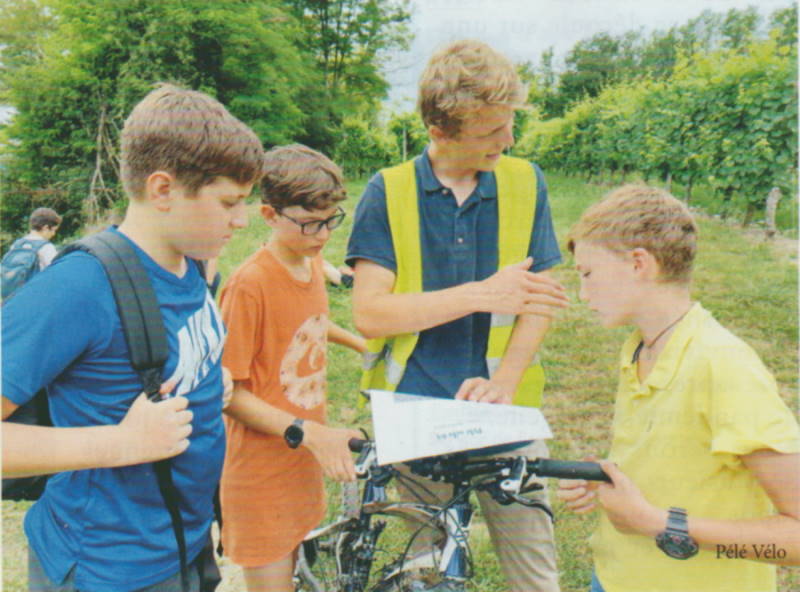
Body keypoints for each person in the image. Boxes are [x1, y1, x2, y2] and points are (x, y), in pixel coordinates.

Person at [1, 83, 264, 592]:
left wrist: (211, 376)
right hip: (108, 567)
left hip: (182, 542)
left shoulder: (191, 257)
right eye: (229, 202)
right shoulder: (80, 286)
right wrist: (120, 442)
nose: (241, 220)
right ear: (163, 190)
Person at [346, 39, 569, 592]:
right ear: (440, 131)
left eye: (510, 125)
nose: (509, 140)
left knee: (535, 567)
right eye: (493, 131)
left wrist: (505, 381)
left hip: (506, 410)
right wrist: (479, 294)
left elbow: (540, 297)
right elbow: (370, 314)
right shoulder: (387, 191)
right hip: (417, 410)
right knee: (424, 570)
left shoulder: (525, 180)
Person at [557, 185, 800, 592]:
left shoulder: (722, 365)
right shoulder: (639, 345)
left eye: (588, 274)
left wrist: (656, 523)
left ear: (638, 264)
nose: (582, 294)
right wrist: (608, 480)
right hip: (616, 578)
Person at [219, 143, 366, 592]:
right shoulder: (249, 285)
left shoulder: (308, 261)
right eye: (308, 223)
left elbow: (309, 324)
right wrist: (309, 432)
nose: (322, 235)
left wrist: (361, 344)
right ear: (268, 215)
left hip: (302, 459)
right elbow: (227, 393)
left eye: (330, 220)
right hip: (260, 476)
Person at [0, 207, 62, 300]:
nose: (53, 234)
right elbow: (56, 276)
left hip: (11, 298)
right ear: (45, 227)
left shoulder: (16, 245)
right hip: (34, 298)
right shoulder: (46, 247)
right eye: (53, 230)